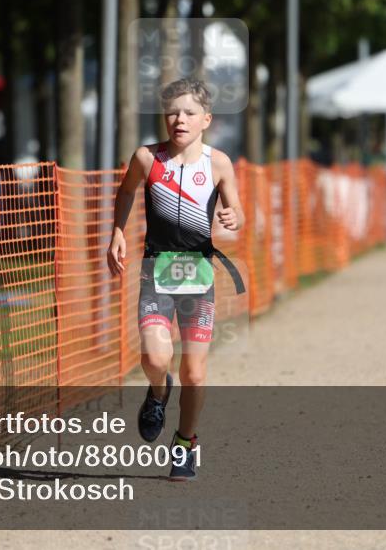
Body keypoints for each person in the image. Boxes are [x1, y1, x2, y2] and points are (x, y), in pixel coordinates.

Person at [107, 77, 245, 482]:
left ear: (206, 119)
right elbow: (126, 192)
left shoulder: (218, 163)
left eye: (188, 113)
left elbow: (237, 210)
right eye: (172, 112)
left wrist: (233, 216)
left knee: (195, 374)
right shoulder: (147, 158)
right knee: (154, 359)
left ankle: (185, 444)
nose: (179, 120)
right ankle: (158, 391)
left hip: (198, 276)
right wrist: (117, 232)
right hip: (157, 272)